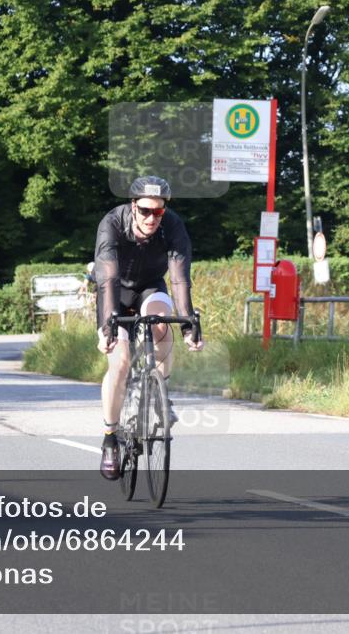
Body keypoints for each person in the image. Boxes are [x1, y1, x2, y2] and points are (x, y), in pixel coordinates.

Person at [93, 176, 203, 480]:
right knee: (121, 361)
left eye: (158, 211)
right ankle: (109, 437)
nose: (151, 218)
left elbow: (180, 279)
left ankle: (159, 390)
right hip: (114, 293)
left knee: (161, 321)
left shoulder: (173, 226)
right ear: (133, 206)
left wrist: (188, 326)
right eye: (145, 211)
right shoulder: (112, 223)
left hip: (150, 288)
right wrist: (107, 327)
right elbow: (108, 279)